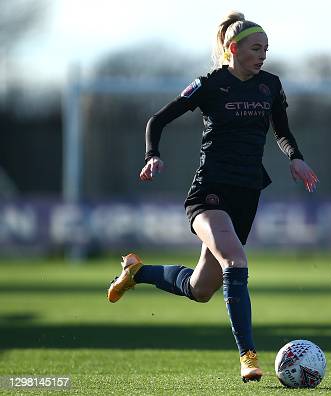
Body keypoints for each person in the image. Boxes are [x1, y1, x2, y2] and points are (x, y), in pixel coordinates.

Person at [106, 12, 318, 383]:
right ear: (231, 49)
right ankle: (248, 357)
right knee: (236, 260)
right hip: (209, 192)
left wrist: (296, 158)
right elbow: (157, 120)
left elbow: (281, 130)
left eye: (266, 48)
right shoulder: (209, 84)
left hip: (248, 192)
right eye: (256, 48)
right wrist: (152, 154)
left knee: (201, 288)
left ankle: (137, 272)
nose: (263, 54)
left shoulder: (270, 85)